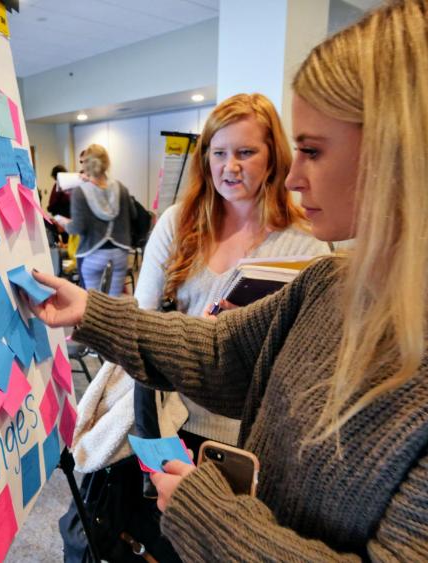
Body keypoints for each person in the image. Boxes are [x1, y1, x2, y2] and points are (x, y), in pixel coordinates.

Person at [28, 0, 428, 559]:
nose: (295, 176)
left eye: (312, 151)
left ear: (407, 152)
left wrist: (207, 514)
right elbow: (220, 353)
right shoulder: (333, 281)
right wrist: (91, 310)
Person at [132, 92, 329, 496]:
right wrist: (197, 336)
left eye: (245, 152)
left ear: (273, 157)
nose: (230, 167)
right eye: (218, 153)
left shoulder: (306, 246)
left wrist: (242, 336)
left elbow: (314, 361)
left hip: (255, 434)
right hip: (174, 418)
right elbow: (141, 324)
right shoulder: (178, 223)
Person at [55, 144, 136, 296]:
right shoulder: (121, 188)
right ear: (106, 163)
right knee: (113, 302)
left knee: (93, 304)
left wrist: (63, 222)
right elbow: (133, 214)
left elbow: (76, 228)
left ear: (86, 165)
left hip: (92, 253)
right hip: (119, 253)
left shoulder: (80, 192)